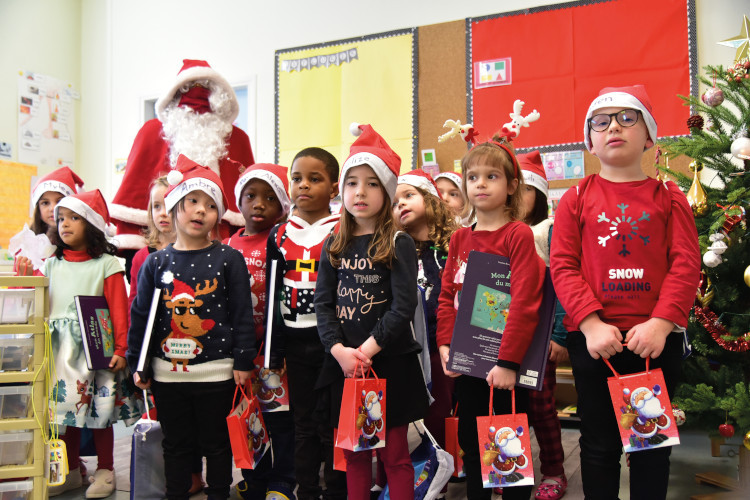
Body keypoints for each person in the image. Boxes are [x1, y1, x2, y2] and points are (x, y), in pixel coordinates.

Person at [550, 85, 701, 499]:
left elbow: (686, 264)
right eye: (601, 122)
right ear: (591, 142)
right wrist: (591, 323)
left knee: (651, 445)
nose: (613, 126)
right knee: (599, 446)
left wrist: (662, 322)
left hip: (655, 341)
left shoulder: (669, 198)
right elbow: (563, 265)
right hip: (595, 343)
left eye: (627, 118)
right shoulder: (575, 199)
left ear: (649, 136)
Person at [127, 155, 255, 500]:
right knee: (176, 445)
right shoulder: (156, 263)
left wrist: (244, 361)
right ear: (173, 207)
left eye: (211, 205)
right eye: (192, 202)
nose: (201, 211)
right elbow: (142, 317)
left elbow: (242, 312)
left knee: (217, 444)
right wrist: (136, 363)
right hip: (168, 376)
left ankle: (217, 494)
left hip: (217, 374)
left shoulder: (230, 259)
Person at [315, 124, 430, 500]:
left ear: (388, 190)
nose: (360, 192)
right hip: (345, 367)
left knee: (394, 455)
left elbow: (403, 307)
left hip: (388, 364)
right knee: (353, 454)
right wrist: (338, 351)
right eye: (352, 183)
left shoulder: (399, 242)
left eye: (372, 183)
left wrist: (366, 351)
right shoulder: (333, 242)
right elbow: (324, 304)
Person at [436, 136, 545, 500]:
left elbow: (525, 302)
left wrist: (508, 361)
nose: (480, 184)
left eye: (492, 176)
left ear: (512, 185)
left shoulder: (518, 234)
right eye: (473, 177)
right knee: (472, 440)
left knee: (507, 444)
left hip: (504, 367)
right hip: (468, 364)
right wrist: (444, 345)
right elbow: (447, 295)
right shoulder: (459, 239)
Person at [43, 189, 142, 498]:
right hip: (59, 352)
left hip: (96, 348)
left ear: (92, 224)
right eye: (61, 218)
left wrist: (121, 349)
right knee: (65, 414)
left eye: (74, 218)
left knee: (100, 412)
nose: (65, 224)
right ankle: (72, 470)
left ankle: (106, 470)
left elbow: (118, 309)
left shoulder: (107, 264)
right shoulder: (51, 265)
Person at [110, 59, 254, 257]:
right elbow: (134, 192)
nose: (197, 91)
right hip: (161, 246)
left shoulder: (237, 139)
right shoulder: (151, 133)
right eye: (189, 86)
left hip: (218, 248)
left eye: (205, 86)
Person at [266, 147, 346, 500]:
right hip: (296, 342)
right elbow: (272, 294)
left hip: (334, 342)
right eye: (297, 178)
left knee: (333, 421)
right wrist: (273, 349)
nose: (304, 186)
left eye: (315, 179)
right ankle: (307, 490)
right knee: (303, 422)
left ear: (333, 188)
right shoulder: (280, 235)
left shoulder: (344, 229)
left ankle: (337, 490)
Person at [224, 162, 296, 500]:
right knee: (248, 417)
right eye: (251, 196)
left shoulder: (283, 242)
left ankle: (282, 480)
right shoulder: (227, 246)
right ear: (239, 201)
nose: (259, 204)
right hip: (239, 352)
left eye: (270, 198)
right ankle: (254, 478)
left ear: (283, 205)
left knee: (278, 418)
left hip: (273, 351)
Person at [391, 169, 458, 499]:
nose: (400, 204)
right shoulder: (392, 251)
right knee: (404, 419)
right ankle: (407, 476)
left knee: (439, 413)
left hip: (440, 347)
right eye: (394, 201)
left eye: (408, 195)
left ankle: (439, 480)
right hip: (404, 349)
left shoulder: (449, 250)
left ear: (431, 200)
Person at [516, 151, 568, 500]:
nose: (517, 196)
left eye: (525, 189)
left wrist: (560, 335)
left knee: (541, 407)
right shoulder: (494, 231)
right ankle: (512, 469)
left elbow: (563, 285)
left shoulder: (548, 231)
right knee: (510, 408)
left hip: (539, 337)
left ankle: (554, 470)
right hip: (501, 338)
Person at [14, 166, 84, 275]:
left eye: (60, 201)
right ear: (38, 208)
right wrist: (24, 280)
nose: (52, 208)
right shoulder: (25, 246)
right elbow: (15, 289)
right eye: (45, 203)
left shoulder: (79, 245)